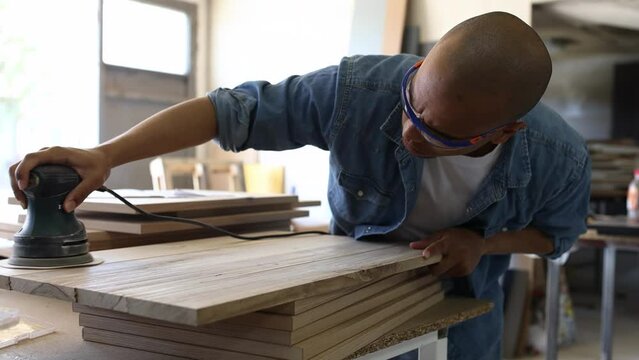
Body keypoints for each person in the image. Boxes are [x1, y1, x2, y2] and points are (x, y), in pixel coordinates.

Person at [9, 11, 590, 360]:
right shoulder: (360, 89)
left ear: (505, 130)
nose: (411, 138)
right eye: (412, 109)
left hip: (459, 306)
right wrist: (106, 155)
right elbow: (227, 111)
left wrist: (481, 245)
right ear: (419, 69)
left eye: (441, 136)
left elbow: (555, 236)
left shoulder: (558, 155)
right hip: (342, 299)